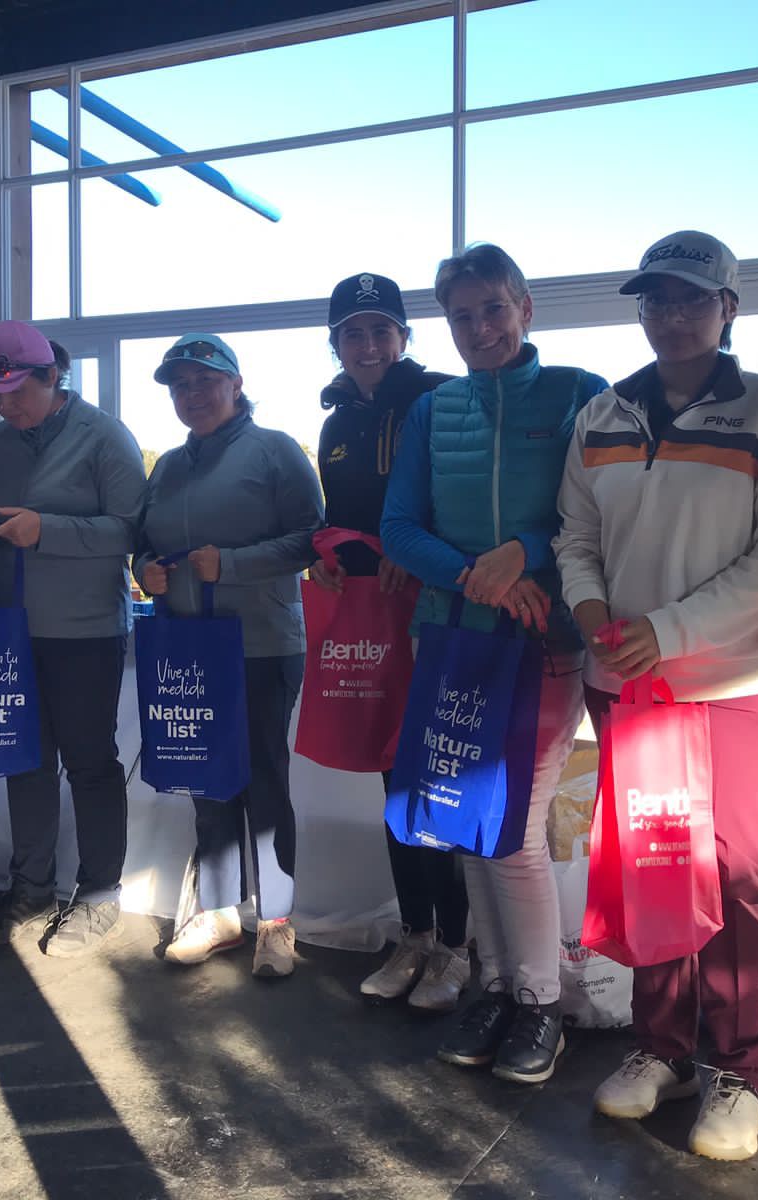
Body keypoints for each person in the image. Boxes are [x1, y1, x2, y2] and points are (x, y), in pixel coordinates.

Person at [555, 232, 758, 1159]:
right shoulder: (604, 413)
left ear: (728, 308)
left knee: (734, 871)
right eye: (654, 300)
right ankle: (661, 1046)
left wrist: (666, 631)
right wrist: (592, 612)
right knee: (652, 862)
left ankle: (743, 1069)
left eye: (690, 299)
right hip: (623, 679)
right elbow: (574, 534)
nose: (670, 316)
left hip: (728, 680)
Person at [381, 244, 607, 1084]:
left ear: (526, 308)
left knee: (512, 828)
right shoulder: (434, 410)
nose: (480, 329)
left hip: (543, 643)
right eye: (462, 316)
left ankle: (541, 1001)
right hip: (451, 640)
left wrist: (524, 552)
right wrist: (480, 577)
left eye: (494, 309)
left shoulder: (581, 394)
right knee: (466, 827)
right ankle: (497, 984)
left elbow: (598, 514)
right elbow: (400, 528)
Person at [0, 319, 147, 957]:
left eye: (17, 392)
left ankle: (99, 895)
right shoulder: (0, 443)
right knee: (26, 762)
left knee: (90, 765)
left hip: (85, 631)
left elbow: (130, 530)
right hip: (13, 630)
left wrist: (49, 531)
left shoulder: (104, 436)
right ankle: (31, 887)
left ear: (51, 376)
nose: (6, 407)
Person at [135, 333, 324, 979]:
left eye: (205, 381)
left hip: (262, 644)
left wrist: (234, 564)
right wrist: (142, 570)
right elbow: (143, 542)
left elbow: (312, 539)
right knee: (207, 781)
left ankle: (276, 922)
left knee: (265, 782)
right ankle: (217, 913)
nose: (192, 394)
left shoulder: (275, 451)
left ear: (236, 385)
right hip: (188, 648)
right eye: (180, 385)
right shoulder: (167, 466)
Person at [308, 272, 470, 1011]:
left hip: (435, 612)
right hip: (372, 621)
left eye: (381, 330)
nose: (368, 345)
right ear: (336, 343)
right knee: (392, 780)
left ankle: (457, 945)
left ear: (404, 336)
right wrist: (325, 556)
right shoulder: (335, 423)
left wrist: (417, 550)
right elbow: (335, 517)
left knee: (436, 779)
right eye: (353, 332)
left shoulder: (441, 398)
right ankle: (414, 935)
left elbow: (460, 503)